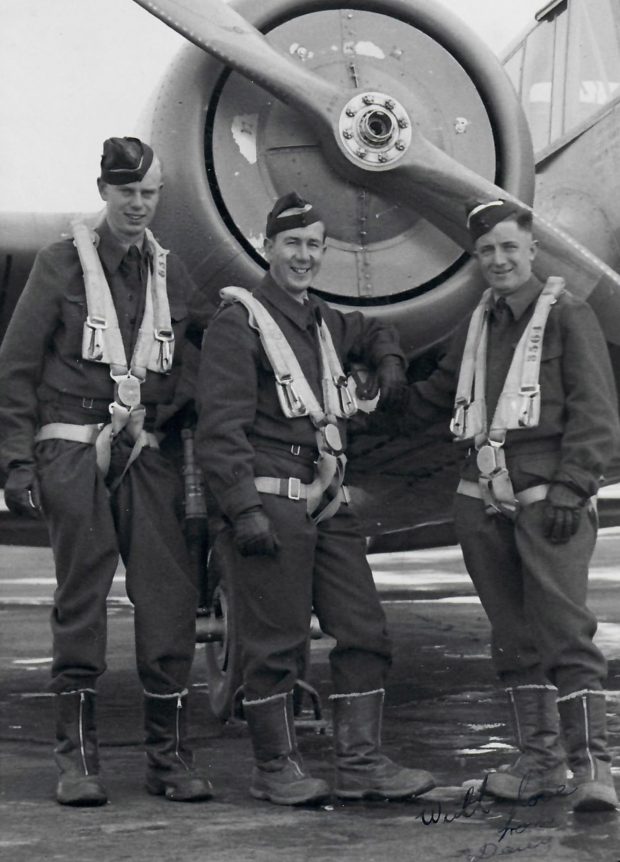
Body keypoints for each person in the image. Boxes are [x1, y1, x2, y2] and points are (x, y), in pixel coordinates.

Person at [374, 200, 620, 812]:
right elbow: (438, 395)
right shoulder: (479, 322)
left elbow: (596, 415)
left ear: (532, 250)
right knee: (512, 639)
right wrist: (375, 398)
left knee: (566, 632)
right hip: (479, 501)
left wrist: (573, 485)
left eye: (509, 247)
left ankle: (595, 771)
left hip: (548, 502)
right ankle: (540, 763)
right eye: (486, 251)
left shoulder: (570, 315)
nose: (499, 260)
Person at [194, 191, 435, 806]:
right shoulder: (237, 324)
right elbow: (220, 432)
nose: (304, 257)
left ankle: (361, 764)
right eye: (293, 245)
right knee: (275, 644)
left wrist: (388, 362)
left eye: (313, 247)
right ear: (268, 248)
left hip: (328, 503)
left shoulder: (322, 320)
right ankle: (274, 769)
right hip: (271, 502)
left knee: (364, 630)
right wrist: (243, 510)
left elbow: (376, 327)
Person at [0, 137, 212, 806]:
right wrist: (14, 460)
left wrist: (174, 407)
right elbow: (16, 367)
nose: (139, 206)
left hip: (146, 451)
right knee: (82, 599)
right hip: (72, 447)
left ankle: (168, 759)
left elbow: (205, 347)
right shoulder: (62, 264)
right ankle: (77, 762)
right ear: (104, 192)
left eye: (149, 195)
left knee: (169, 596)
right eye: (128, 194)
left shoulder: (170, 274)